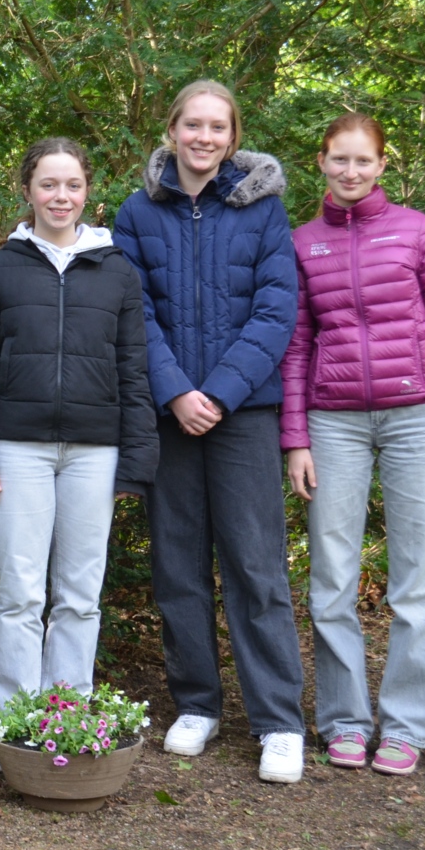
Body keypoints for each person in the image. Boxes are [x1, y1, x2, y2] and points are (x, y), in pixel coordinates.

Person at [112, 79, 308, 783]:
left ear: (233, 135)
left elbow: (276, 310)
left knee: (256, 567)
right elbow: (135, 314)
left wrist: (219, 393)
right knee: (178, 567)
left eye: (216, 127)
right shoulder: (137, 212)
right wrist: (176, 393)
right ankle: (196, 704)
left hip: (244, 413)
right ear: (172, 130)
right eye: (191, 125)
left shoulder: (262, 209)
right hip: (170, 417)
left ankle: (279, 721)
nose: (203, 138)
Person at [282, 113, 425, 776]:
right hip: (333, 421)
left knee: (416, 578)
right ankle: (344, 719)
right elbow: (296, 345)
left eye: (363, 161)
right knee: (332, 577)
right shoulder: (302, 242)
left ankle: (405, 725)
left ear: (382, 165)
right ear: (321, 162)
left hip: (417, 416)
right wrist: (296, 437)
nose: (351, 172)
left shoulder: (416, 231)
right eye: (339, 160)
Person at [0, 139, 158, 724]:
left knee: (79, 595)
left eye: (72, 185)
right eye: (48, 184)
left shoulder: (116, 272)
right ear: (28, 190)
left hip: (96, 452)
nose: (60, 196)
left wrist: (136, 463)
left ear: (88, 192)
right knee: (19, 592)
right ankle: (16, 722)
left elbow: (133, 368)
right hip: (16, 449)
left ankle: (64, 720)